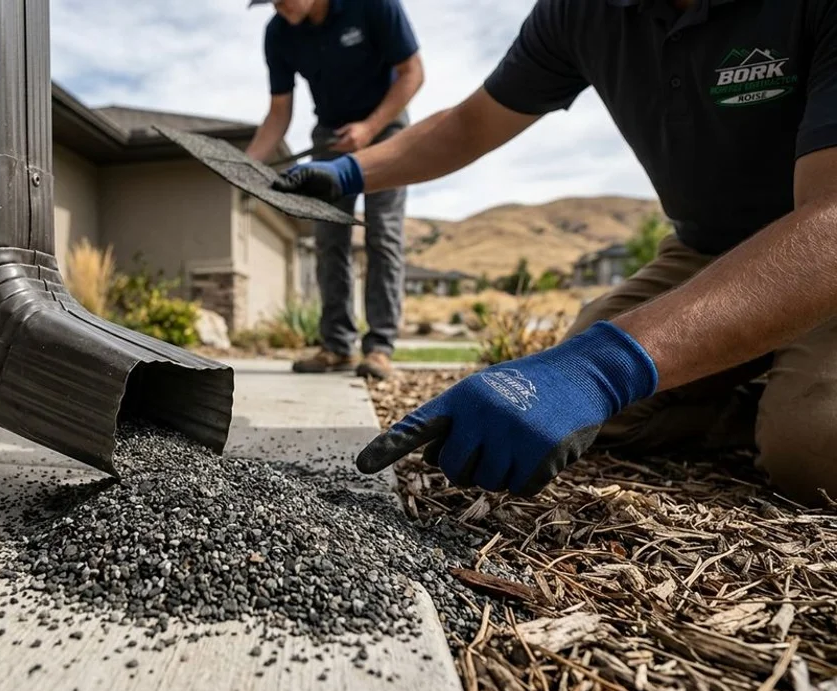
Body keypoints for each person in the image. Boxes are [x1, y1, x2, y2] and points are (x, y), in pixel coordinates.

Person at [274, 0, 837, 506]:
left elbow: (830, 221)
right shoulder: (579, 12)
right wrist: (347, 172)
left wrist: (603, 368)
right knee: (585, 413)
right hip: (709, 249)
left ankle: (786, 407)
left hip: (820, 248)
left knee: (810, 454)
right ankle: (754, 404)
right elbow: (470, 123)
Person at [245, 0, 424, 379]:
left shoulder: (374, 6)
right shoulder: (277, 32)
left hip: (385, 128)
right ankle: (337, 345)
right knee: (329, 239)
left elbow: (412, 73)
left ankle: (379, 348)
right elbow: (279, 113)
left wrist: (370, 128)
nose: (277, 5)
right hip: (330, 135)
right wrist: (247, 167)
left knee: (383, 232)